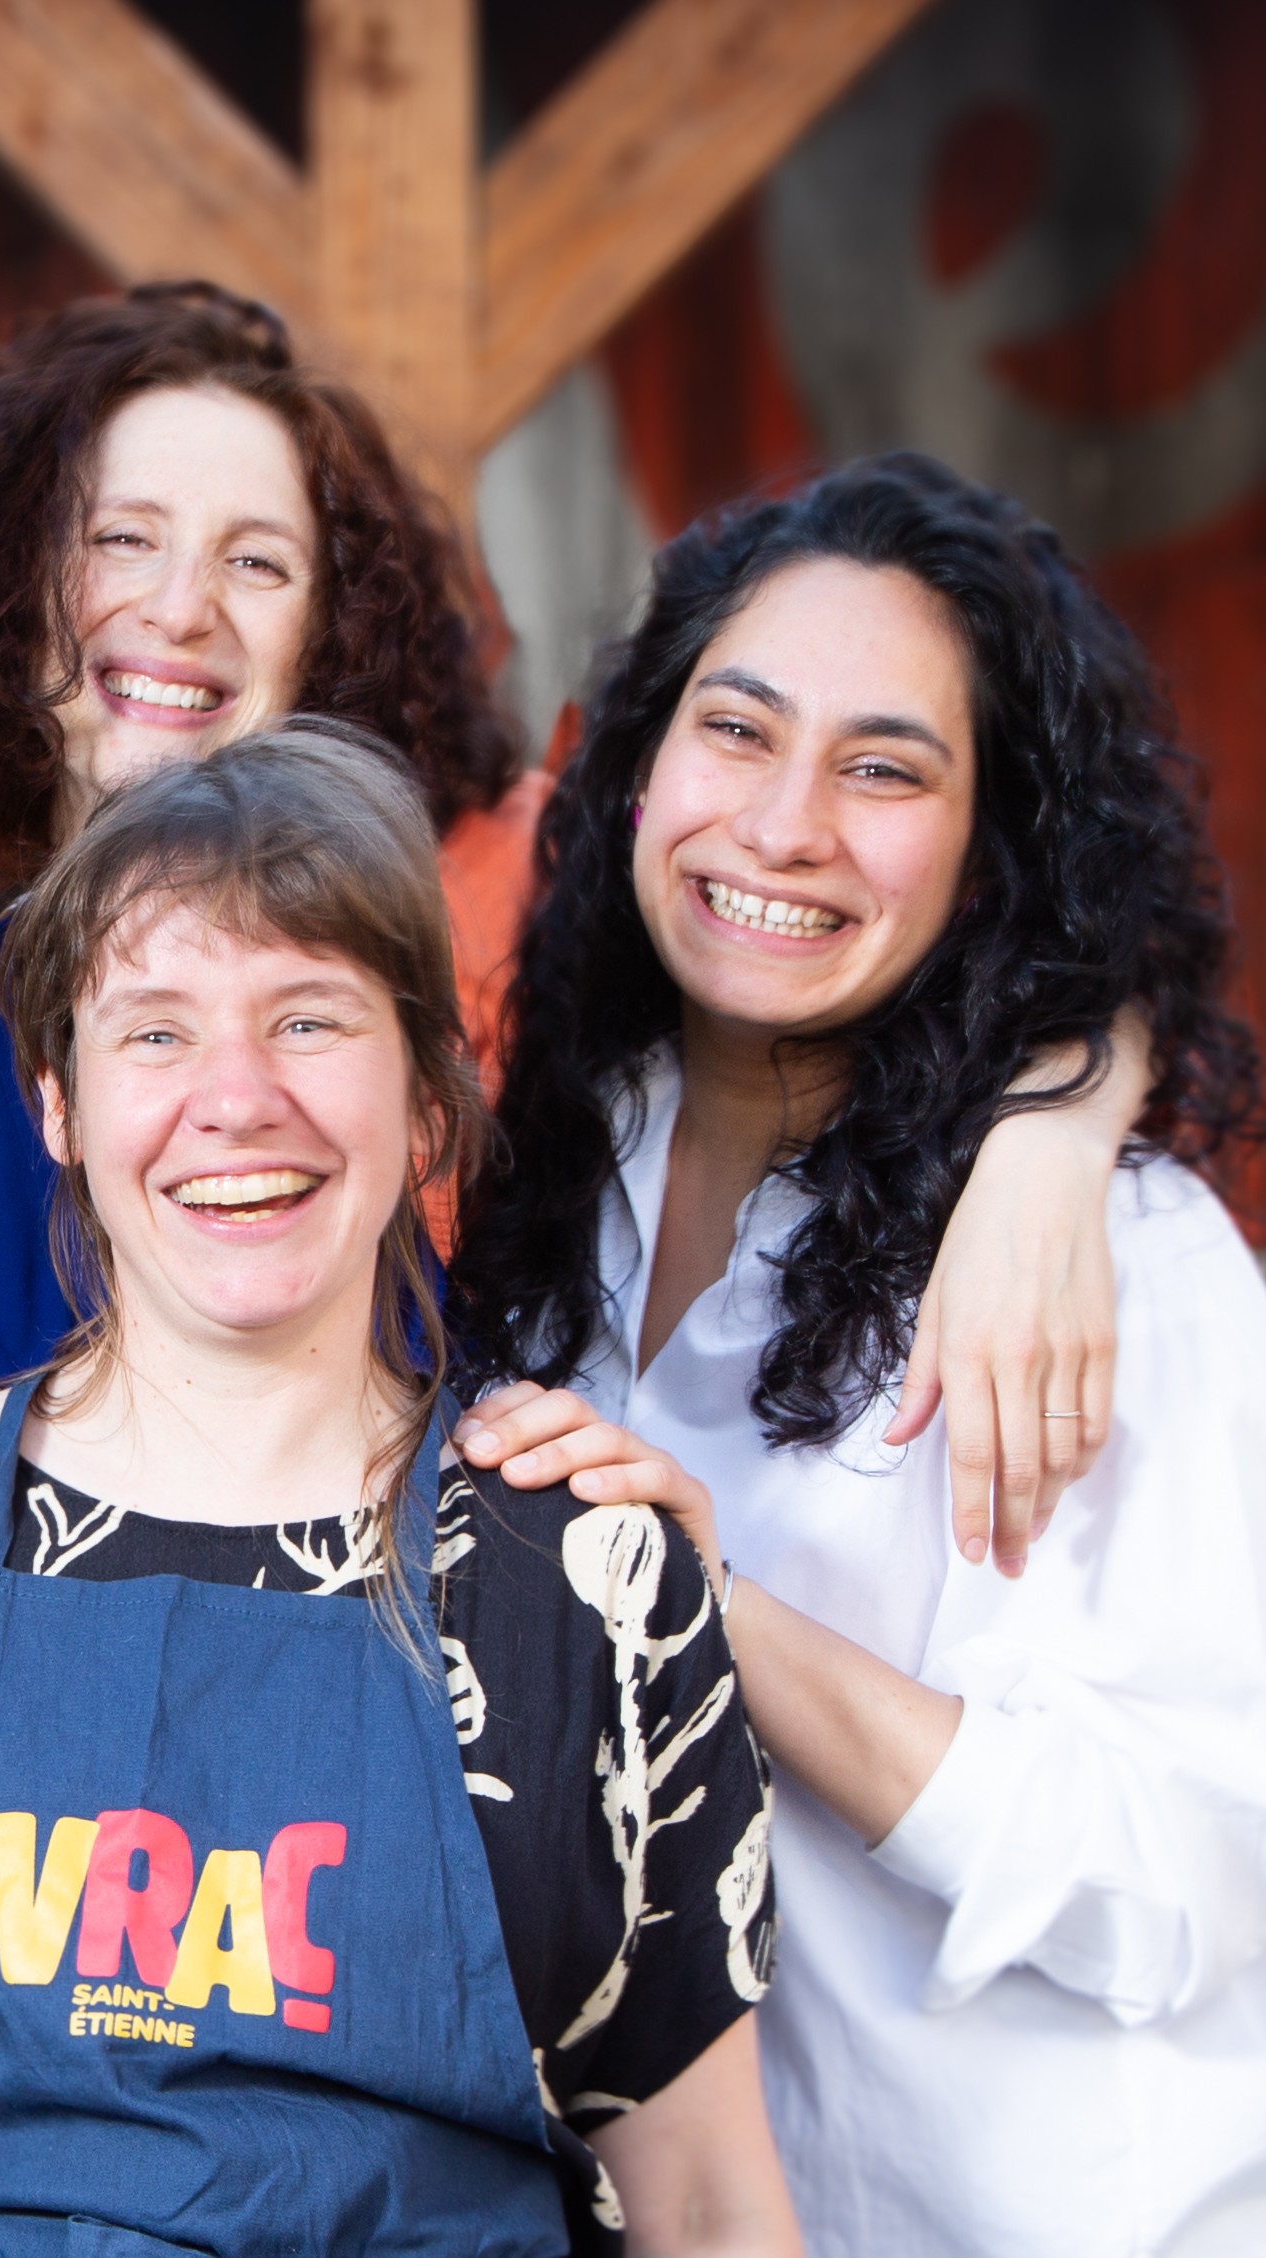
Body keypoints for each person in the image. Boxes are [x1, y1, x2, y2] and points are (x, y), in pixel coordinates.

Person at [0, 724, 797, 2258]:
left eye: (306, 1019)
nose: (235, 1097)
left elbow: (707, 2204)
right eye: (155, 1031)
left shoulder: (586, 1593)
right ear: (60, 1105)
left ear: (425, 1101)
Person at [451, 454, 1266, 2256]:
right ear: (638, 761)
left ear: (991, 848)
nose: (782, 822)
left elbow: (1188, 1882)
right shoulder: (551, 1169)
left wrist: (701, 1610)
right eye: (735, 729)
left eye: (882, 768)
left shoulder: (1119, 1258)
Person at [0, 278, 545, 1434]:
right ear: (13, 586)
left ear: (328, 632)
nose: (180, 609)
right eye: (123, 538)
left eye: (255, 562)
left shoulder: (506, 931)